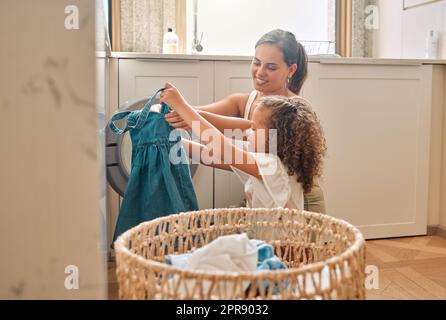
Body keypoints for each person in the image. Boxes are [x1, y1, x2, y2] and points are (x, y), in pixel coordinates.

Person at [164, 29, 327, 213]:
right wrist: (174, 124)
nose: (260, 72)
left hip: (300, 206)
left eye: (271, 67)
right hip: (263, 199)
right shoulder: (252, 110)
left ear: (291, 69)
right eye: (256, 63)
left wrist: (185, 111)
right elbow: (226, 149)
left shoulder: (294, 113)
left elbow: (224, 150)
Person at [160, 83, 326, 210]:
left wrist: (181, 106)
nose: (248, 133)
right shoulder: (261, 157)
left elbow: (221, 148)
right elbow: (209, 154)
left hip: (285, 248)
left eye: (254, 129)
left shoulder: (273, 166)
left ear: (278, 139)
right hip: (265, 239)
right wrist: (169, 142)